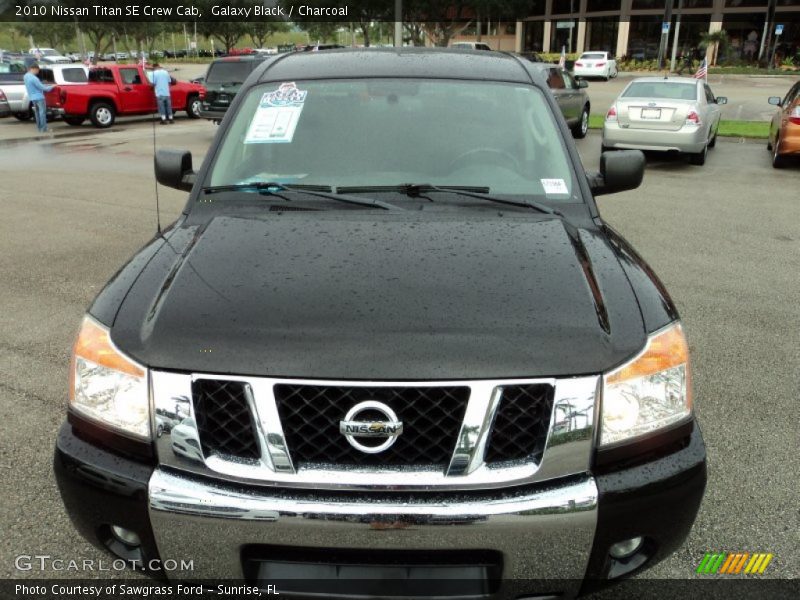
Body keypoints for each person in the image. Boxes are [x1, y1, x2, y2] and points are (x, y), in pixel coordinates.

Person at [23, 63, 54, 134]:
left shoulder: (25, 76)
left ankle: (39, 128)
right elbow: (44, 88)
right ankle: (44, 129)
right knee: (42, 113)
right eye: (38, 71)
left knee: (37, 113)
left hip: (32, 98)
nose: (38, 72)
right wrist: (53, 86)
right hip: (39, 97)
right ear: (34, 69)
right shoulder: (34, 78)